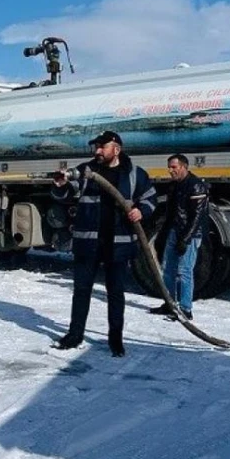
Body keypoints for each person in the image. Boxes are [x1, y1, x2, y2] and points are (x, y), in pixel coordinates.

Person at [52, 130, 156, 357]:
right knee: (81, 291)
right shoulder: (86, 170)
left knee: (116, 293)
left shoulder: (134, 174)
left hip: (117, 245)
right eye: (95, 147)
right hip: (88, 244)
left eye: (102, 146)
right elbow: (69, 193)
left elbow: (150, 198)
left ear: (116, 148)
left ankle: (115, 339)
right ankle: (75, 335)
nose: (97, 151)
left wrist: (141, 211)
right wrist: (61, 186)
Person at [149, 154, 209, 320]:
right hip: (175, 231)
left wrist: (186, 239)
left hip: (189, 234)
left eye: (174, 167)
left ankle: (185, 308)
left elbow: (197, 217)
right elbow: (171, 213)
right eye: (169, 167)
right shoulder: (174, 186)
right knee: (168, 269)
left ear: (184, 167)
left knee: (184, 271)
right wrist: (163, 234)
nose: (170, 170)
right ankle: (169, 304)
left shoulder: (196, 186)